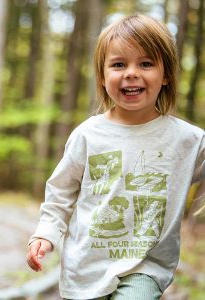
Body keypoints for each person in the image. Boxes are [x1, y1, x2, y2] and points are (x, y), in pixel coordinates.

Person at [26, 14, 205, 300]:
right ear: (102, 75)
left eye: (146, 63)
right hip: (85, 268)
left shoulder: (189, 141)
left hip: (145, 267)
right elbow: (61, 192)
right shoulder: (88, 135)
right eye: (119, 64)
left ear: (167, 74)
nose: (131, 72)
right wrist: (45, 233)